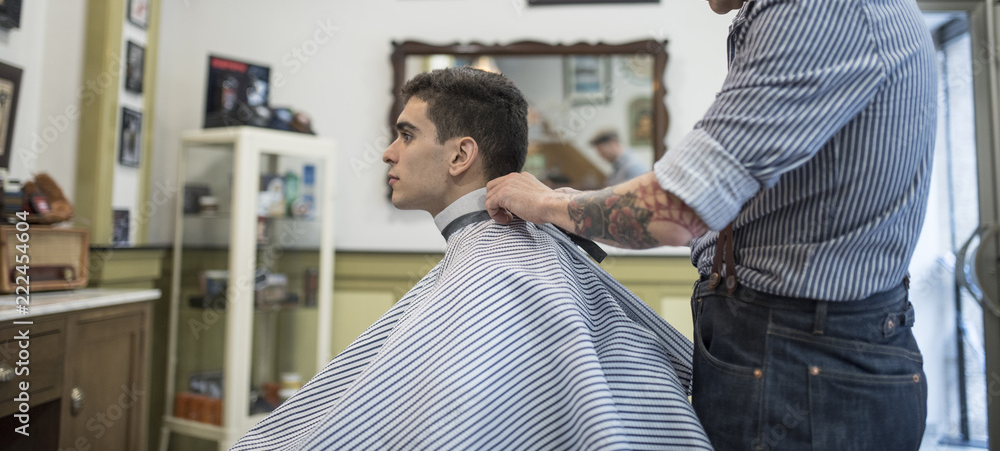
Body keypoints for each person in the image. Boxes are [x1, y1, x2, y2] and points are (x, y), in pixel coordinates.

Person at [485, 0, 935, 451]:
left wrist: (550, 203)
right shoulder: (785, 3)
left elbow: (678, 209)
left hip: (810, 366)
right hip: (782, 348)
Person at [232, 66, 711, 450]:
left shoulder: (495, 266)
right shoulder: (520, 248)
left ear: (461, 156)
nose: (387, 153)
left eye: (406, 135)